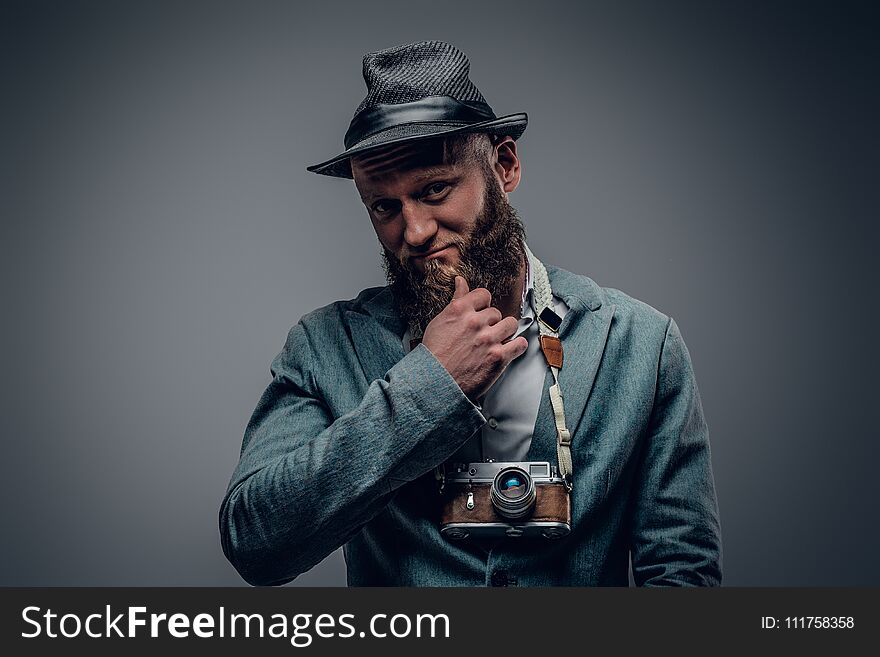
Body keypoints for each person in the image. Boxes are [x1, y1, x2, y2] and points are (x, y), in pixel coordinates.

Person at [219, 40, 722, 586]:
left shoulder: (641, 344)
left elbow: (682, 574)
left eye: (435, 190)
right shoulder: (324, 345)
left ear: (504, 166)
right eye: (384, 206)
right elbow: (255, 544)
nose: (413, 232)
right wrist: (429, 387)